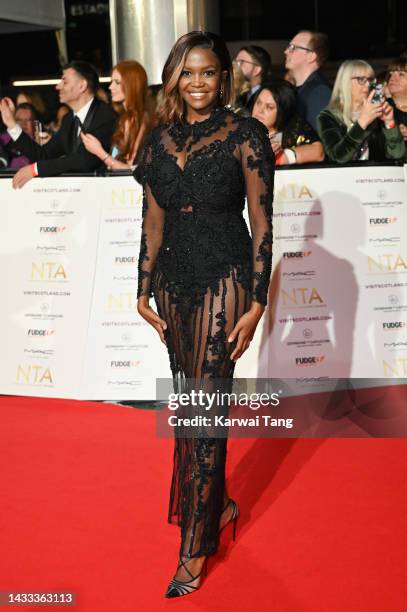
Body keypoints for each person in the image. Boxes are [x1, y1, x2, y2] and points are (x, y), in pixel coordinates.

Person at [134, 31, 274, 598]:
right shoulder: (158, 139)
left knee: (204, 412)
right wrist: (141, 287)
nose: (198, 82)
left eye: (209, 72)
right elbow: (152, 223)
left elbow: (263, 225)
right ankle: (213, 507)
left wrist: (258, 300)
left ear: (225, 78)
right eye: (188, 72)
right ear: (175, 77)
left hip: (226, 277)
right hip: (173, 282)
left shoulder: (246, 134)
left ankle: (195, 545)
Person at [0, 61, 116, 189]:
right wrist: (12, 125)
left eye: (65, 82)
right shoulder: (69, 120)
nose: (58, 86)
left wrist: (36, 169)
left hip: (101, 197)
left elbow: (84, 160)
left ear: (82, 86)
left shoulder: (104, 115)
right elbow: (42, 155)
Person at [317, 59, 405, 163]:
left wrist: (389, 123)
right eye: (361, 79)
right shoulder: (328, 116)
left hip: (375, 178)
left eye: (370, 80)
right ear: (345, 82)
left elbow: (397, 155)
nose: (368, 85)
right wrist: (362, 122)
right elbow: (338, 157)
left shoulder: (377, 113)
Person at [81, 60, 149, 170]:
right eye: (112, 81)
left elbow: (130, 170)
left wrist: (99, 152)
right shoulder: (124, 119)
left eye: (117, 82)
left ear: (131, 84)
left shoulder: (140, 119)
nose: (110, 87)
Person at [252, 81, 324, 165]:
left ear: (283, 112)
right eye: (258, 103)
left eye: (269, 107)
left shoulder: (294, 127)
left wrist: (283, 157)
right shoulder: (241, 126)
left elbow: (319, 152)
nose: (260, 110)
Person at [284, 30, 331, 131]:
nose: (286, 51)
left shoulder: (319, 92)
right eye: (288, 47)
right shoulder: (298, 89)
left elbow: (317, 140)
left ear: (311, 56)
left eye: (293, 48)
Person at [234, 45, 271, 111]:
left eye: (241, 62)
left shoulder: (267, 97)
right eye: (236, 61)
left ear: (256, 70)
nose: (235, 65)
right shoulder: (240, 94)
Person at [0, 103, 37, 168]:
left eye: (28, 120)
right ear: (13, 121)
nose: (23, 124)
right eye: (19, 120)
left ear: (34, 123)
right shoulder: (3, 141)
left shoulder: (41, 143)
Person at [386, 58, 407, 147]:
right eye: (390, 74)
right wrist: (394, 132)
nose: (392, 78)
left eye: (400, 74)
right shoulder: (382, 107)